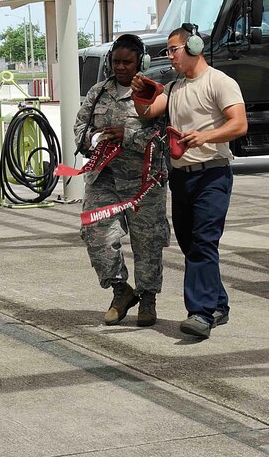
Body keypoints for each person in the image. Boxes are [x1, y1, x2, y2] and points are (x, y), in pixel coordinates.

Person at [132, 23, 247, 339]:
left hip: (212, 174)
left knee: (202, 242)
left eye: (173, 49)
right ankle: (219, 303)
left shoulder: (220, 83)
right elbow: (148, 111)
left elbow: (239, 124)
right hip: (181, 179)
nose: (169, 56)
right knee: (190, 243)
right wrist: (139, 91)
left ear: (194, 47)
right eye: (167, 51)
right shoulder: (175, 88)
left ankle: (200, 313)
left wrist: (206, 135)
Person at [74, 34, 169, 327]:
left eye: (127, 62)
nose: (121, 67)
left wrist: (127, 136)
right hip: (105, 178)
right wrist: (96, 138)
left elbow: (163, 136)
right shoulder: (98, 93)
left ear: (142, 62)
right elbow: (80, 129)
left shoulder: (155, 93)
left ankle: (148, 298)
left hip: (144, 181)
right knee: (96, 234)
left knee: (147, 241)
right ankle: (120, 291)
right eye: (116, 62)